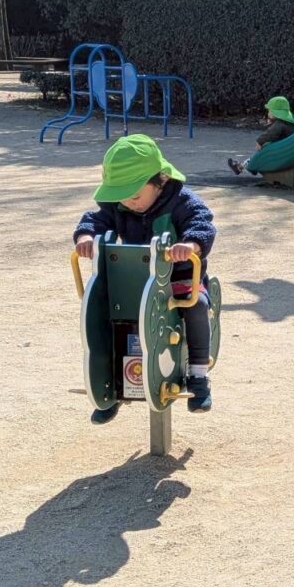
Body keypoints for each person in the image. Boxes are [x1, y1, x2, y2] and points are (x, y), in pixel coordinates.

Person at [73, 134, 217, 423]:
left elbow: (202, 224)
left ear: (160, 180)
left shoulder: (182, 201)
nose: (130, 203)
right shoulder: (119, 205)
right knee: (108, 316)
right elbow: (95, 220)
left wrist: (190, 245)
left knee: (197, 305)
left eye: (135, 196)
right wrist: (86, 236)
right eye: (122, 196)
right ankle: (111, 385)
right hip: (135, 280)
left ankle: (198, 375)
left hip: (179, 279)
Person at [227, 95, 294, 174]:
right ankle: (246, 166)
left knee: (262, 152)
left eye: (269, 111)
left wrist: (260, 141)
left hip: (279, 151)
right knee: (264, 150)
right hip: (287, 149)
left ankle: (244, 166)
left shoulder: (279, 124)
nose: (268, 113)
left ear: (276, 112)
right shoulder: (289, 124)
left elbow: (270, 134)